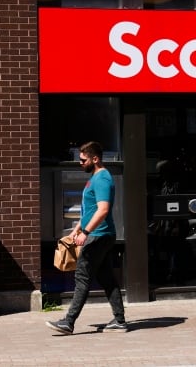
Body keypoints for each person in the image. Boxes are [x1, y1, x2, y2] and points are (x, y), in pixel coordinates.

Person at [47, 141, 127, 335]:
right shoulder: (95, 178)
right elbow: (91, 210)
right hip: (100, 234)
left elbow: (103, 210)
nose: (80, 163)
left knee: (82, 276)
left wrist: (86, 233)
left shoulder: (102, 179)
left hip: (99, 236)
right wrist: (78, 228)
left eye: (83, 160)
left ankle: (69, 321)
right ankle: (119, 320)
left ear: (95, 159)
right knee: (106, 278)